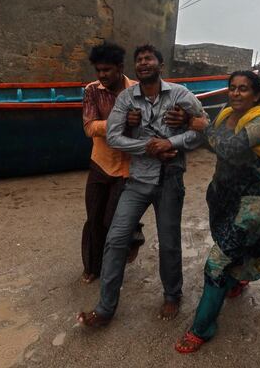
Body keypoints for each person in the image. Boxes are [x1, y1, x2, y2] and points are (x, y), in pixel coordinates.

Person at [174, 71, 260, 353]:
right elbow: (213, 147)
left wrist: (203, 128)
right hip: (222, 198)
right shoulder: (225, 114)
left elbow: (232, 149)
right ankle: (236, 280)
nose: (235, 94)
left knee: (216, 262)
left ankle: (203, 327)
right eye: (232, 88)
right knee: (232, 250)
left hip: (251, 204)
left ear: (256, 94)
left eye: (243, 89)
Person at [77, 44, 204, 327]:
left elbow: (201, 129)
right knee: (116, 239)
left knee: (169, 243)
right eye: (140, 60)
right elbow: (113, 137)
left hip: (170, 180)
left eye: (149, 58)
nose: (144, 63)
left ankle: (172, 295)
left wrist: (171, 141)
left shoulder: (181, 95)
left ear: (160, 64)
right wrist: (148, 148)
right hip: (137, 181)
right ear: (135, 67)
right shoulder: (126, 98)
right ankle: (105, 308)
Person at [80, 42, 144, 284]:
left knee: (114, 221)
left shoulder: (138, 91)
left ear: (120, 68)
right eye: (98, 70)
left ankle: (131, 239)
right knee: (94, 218)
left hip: (128, 167)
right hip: (100, 162)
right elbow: (89, 127)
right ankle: (92, 266)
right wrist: (120, 122)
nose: (102, 75)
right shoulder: (92, 91)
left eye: (107, 70)